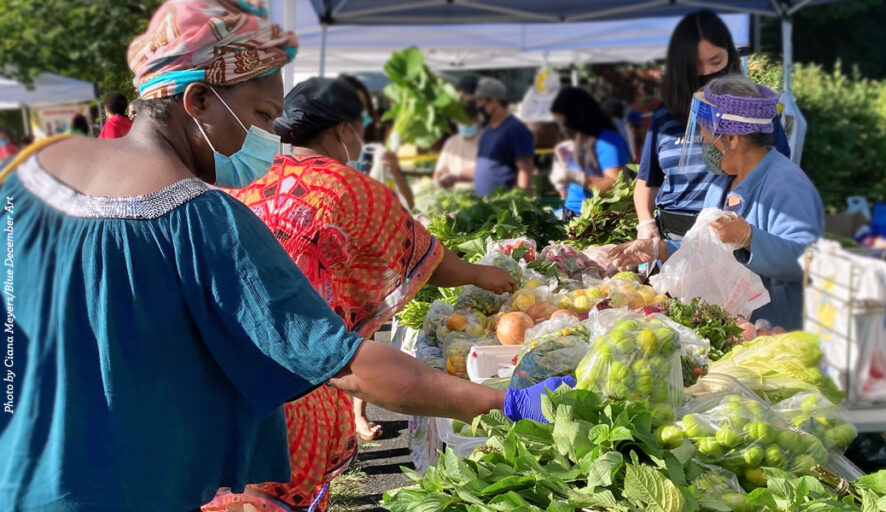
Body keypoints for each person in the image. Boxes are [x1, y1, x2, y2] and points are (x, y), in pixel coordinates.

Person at [0, 2, 570, 511]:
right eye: (264, 116)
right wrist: (502, 401)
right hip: (130, 492)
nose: (270, 138)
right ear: (198, 100)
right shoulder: (200, 218)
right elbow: (342, 363)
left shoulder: (25, 176)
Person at [204, 77, 517, 512]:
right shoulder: (351, 189)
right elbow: (420, 253)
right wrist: (480, 274)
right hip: (305, 381)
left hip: (222, 381)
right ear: (341, 130)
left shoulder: (242, 182)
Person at [611, 75, 823, 330]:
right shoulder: (720, 183)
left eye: (705, 128)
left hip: (773, 330)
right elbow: (710, 249)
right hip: (734, 325)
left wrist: (750, 238)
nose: (701, 137)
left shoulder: (786, 185)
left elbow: (807, 260)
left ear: (732, 139)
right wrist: (662, 249)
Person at [634, 10, 790, 242]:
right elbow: (648, 179)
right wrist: (645, 223)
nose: (707, 72)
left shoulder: (754, 108)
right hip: (673, 235)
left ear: (730, 54)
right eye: (696, 65)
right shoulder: (664, 115)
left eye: (716, 61)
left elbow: (780, 171)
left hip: (732, 236)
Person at [550, 87, 630, 218]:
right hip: (571, 212)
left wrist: (577, 177)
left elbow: (616, 186)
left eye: (566, 126)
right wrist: (562, 178)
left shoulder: (607, 140)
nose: (565, 131)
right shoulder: (583, 140)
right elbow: (570, 193)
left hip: (593, 218)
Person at [339, 74, 416, 209]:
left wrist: (394, 171)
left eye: (361, 105)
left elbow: (408, 203)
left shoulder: (374, 151)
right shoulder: (325, 150)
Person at [472, 77, 535, 195]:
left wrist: (522, 203)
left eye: (480, 102)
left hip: (504, 206)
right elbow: (484, 167)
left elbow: (525, 169)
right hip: (484, 204)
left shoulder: (516, 129)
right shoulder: (486, 132)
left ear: (494, 102)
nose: (477, 107)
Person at [433, 101, 480, 189]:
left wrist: (457, 176)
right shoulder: (451, 143)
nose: (466, 125)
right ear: (457, 122)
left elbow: (485, 170)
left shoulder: (485, 141)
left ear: (477, 121)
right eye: (463, 122)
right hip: (456, 197)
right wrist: (437, 185)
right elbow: (438, 173)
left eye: (470, 122)